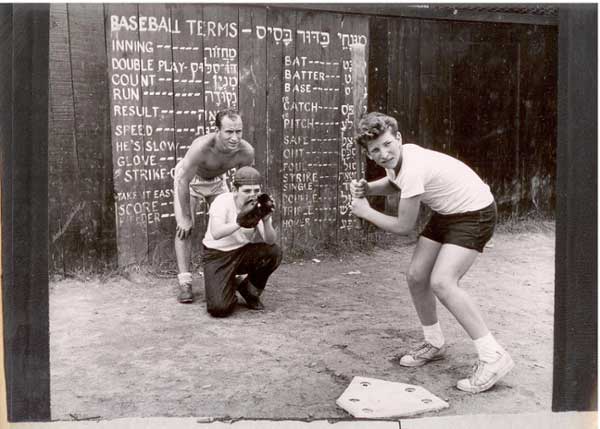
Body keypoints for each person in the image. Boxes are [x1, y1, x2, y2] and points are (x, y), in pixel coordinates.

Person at [349, 112, 513, 393]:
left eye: (388, 144)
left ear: (398, 138)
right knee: (416, 276)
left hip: (476, 213)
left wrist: (366, 211)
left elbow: (404, 226)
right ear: (369, 154)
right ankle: (434, 342)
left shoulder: (413, 165)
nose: (384, 153)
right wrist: (369, 187)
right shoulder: (399, 159)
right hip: (449, 212)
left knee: (442, 282)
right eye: (375, 150)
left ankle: (493, 356)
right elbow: (394, 181)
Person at [174, 109, 254, 303]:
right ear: (217, 130)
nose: (235, 138)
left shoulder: (246, 151)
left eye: (238, 131)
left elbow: (245, 183)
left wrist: (244, 209)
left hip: (218, 182)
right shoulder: (201, 147)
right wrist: (185, 217)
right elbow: (183, 180)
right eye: (229, 132)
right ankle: (185, 282)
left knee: (230, 225)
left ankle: (231, 273)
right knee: (185, 228)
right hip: (190, 182)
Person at [201, 166, 282, 317]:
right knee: (219, 309)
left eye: (256, 190)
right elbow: (216, 233)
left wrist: (266, 220)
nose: (252, 195)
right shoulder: (222, 201)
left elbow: (270, 241)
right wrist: (239, 222)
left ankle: (248, 289)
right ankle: (229, 283)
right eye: (246, 191)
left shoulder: (257, 204)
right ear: (235, 189)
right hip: (217, 254)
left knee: (274, 252)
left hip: (241, 252)